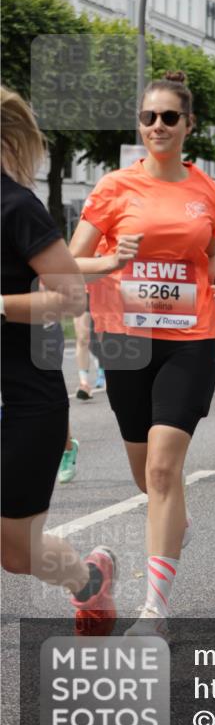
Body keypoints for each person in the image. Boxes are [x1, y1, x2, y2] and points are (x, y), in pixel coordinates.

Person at [69, 70, 215, 637]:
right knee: (147, 477)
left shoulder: (210, 193)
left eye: (168, 117)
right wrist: (111, 263)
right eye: (148, 117)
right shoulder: (114, 187)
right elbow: (71, 260)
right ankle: (174, 521)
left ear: (189, 125)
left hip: (189, 341)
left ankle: (154, 610)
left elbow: (214, 261)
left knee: (165, 469)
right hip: (126, 340)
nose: (157, 126)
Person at [1, 86, 116, 635]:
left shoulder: (17, 206)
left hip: (21, 402)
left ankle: (89, 583)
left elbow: (69, 297)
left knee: (17, 556)